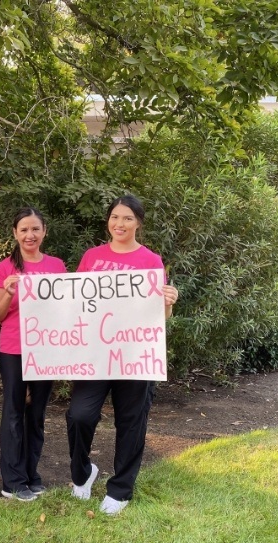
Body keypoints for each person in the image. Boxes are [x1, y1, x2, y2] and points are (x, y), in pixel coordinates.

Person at [66, 194, 179, 515]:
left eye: (127, 218)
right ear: (108, 221)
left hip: (135, 354)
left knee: (131, 421)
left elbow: (160, 318)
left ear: (138, 223)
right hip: (95, 353)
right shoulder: (92, 256)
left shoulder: (150, 260)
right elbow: (73, 302)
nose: (120, 224)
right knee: (79, 415)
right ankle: (83, 473)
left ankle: (120, 490)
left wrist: (167, 302)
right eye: (115, 217)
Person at [0, 208, 67, 502]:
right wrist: (8, 292)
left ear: (44, 231)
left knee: (36, 415)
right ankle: (13, 481)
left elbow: (66, 311)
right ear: (15, 233)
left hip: (47, 349)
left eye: (35, 229)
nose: (29, 235)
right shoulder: (4, 268)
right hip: (14, 349)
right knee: (12, 414)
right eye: (23, 230)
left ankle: (32, 475)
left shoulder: (57, 266)